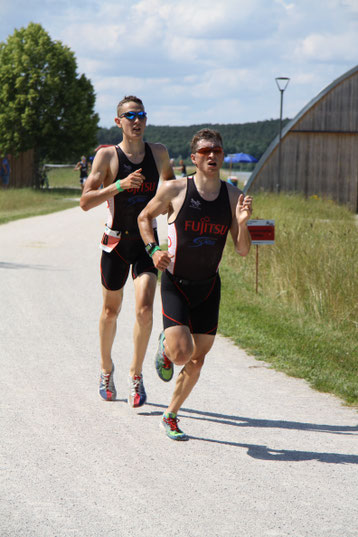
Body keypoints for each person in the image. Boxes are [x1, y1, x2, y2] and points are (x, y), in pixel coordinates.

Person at [138, 128, 253, 440]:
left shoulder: (231, 196)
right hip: (176, 283)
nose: (212, 155)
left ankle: (171, 414)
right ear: (194, 158)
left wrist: (242, 224)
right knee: (180, 355)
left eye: (216, 150)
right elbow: (143, 218)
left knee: (197, 360)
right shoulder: (175, 190)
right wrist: (153, 250)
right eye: (205, 151)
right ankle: (166, 346)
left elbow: (243, 250)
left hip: (208, 288)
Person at [80, 95, 175, 408]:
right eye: (129, 115)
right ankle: (106, 369)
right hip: (116, 243)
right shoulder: (107, 156)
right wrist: (119, 186)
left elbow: (175, 196)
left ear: (146, 121)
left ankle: (136, 373)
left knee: (145, 310)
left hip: (146, 243)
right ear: (118, 121)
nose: (136, 121)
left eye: (141, 115)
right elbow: (86, 201)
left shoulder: (159, 153)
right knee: (110, 311)